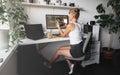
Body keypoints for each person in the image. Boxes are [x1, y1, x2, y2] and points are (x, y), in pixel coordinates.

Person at [44, 8, 84, 74]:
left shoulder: (71, 25)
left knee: (59, 52)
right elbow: (73, 30)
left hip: (75, 51)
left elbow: (63, 35)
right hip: (79, 48)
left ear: (73, 15)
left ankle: (49, 64)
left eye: (69, 15)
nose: (69, 16)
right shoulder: (79, 24)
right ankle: (71, 65)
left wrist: (58, 27)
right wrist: (66, 26)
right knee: (61, 48)